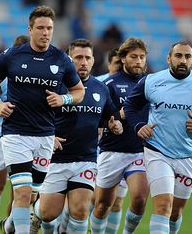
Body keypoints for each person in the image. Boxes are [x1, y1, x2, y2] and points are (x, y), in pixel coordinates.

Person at [0, 5, 85, 234]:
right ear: (30, 29)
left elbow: (79, 91)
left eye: (49, 28)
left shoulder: (61, 59)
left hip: (45, 136)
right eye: (40, 27)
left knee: (32, 194)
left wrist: (63, 99)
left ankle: (10, 225)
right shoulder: (13, 55)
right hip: (15, 134)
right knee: (21, 191)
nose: (46, 32)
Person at [123, 41, 192, 233]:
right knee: (163, 206)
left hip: (188, 154)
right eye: (178, 56)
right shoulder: (151, 81)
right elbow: (130, 106)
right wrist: (139, 126)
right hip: (157, 151)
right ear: (168, 58)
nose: (183, 60)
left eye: (187, 57)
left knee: (175, 212)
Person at [29, 38, 122, 234]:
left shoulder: (101, 88)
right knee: (48, 213)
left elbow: (110, 116)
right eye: (78, 57)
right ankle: (34, 211)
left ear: (93, 60)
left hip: (86, 159)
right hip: (56, 159)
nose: (83, 62)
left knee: (80, 211)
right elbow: (35, 117)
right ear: (69, 60)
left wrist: (115, 125)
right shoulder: (55, 85)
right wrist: (49, 137)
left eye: (87, 57)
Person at [90, 38, 149, 234]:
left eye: (142, 57)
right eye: (134, 57)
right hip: (112, 151)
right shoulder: (109, 84)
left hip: (139, 152)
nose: (138, 61)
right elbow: (96, 119)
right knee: (103, 205)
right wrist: (115, 118)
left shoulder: (152, 84)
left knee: (139, 199)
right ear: (123, 58)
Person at [0, 35, 29, 234]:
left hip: (25, 138)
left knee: (18, 191)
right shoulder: (2, 78)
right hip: (0, 136)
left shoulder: (38, 77)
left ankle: (9, 228)